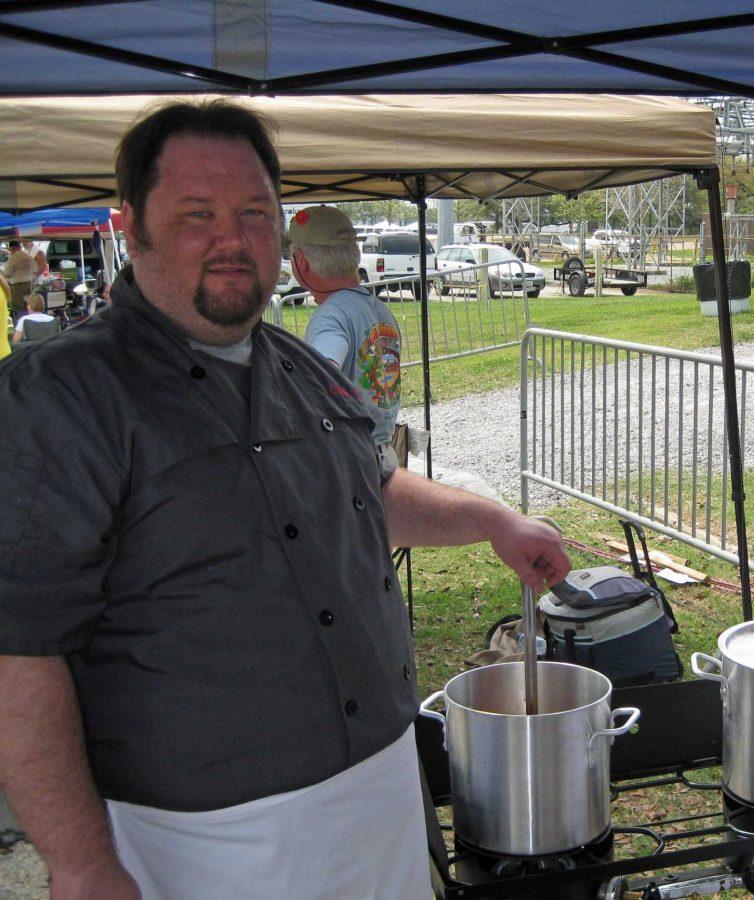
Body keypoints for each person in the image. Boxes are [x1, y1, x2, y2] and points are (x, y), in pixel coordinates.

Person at [0, 99, 571, 899]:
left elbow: (364, 489)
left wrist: (492, 521)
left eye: (255, 213)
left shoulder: (299, 366)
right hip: (204, 840)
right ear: (132, 227)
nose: (232, 239)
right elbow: (19, 650)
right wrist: (81, 861)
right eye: (197, 213)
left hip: (379, 803)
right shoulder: (61, 397)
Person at [287, 205, 403, 460]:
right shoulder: (377, 308)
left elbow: (323, 376)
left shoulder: (331, 316)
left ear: (301, 262)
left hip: (350, 459)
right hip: (381, 452)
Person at [2, 239, 35, 324]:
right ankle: (27, 326)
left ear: (12, 248)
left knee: (18, 308)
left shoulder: (13, 258)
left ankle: (20, 327)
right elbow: (35, 268)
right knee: (27, 307)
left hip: (17, 287)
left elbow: (7, 273)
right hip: (28, 285)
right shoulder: (27, 256)